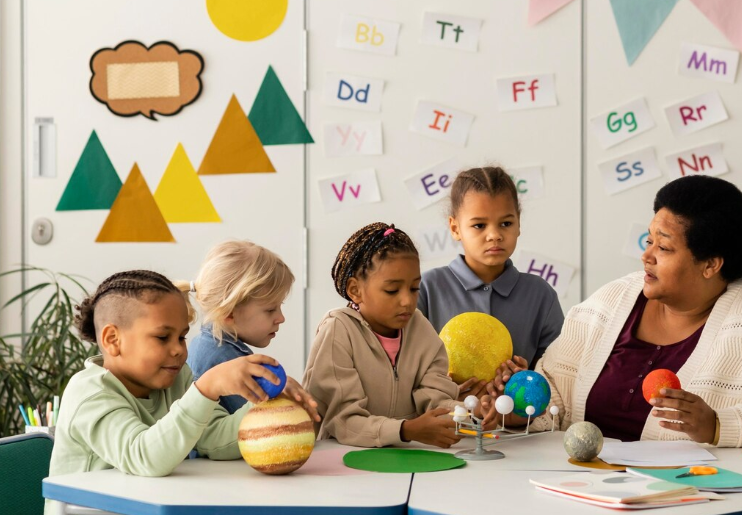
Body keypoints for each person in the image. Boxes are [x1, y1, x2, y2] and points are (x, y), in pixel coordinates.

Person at [528, 175, 742, 447]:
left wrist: (718, 425)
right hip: (580, 484)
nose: (646, 256)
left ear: (711, 264)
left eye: (664, 248)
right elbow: (553, 390)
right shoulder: (612, 300)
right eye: (648, 241)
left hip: (689, 491)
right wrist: (517, 406)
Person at [46, 270, 315, 513]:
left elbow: (214, 441)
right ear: (113, 340)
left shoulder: (177, 380)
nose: (178, 349)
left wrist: (263, 403)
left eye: (182, 337)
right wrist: (206, 388)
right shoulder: (90, 393)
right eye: (163, 337)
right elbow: (144, 457)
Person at [303, 222, 496, 448]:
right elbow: (344, 421)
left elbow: (435, 399)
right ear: (355, 290)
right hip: (343, 456)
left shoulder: (420, 328)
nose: (407, 301)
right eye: (392, 290)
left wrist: (470, 414)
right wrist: (405, 430)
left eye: (414, 288)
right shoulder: (338, 331)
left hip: (406, 456)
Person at [418, 166, 564, 395]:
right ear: (455, 228)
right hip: (443, 415)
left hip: (516, 418)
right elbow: (405, 370)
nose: (495, 235)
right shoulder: (427, 288)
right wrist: (443, 387)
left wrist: (527, 380)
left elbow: (557, 379)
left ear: (518, 223)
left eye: (506, 223)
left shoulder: (540, 294)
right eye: (479, 225)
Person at [183, 240, 308, 414]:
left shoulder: (213, 346)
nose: (281, 318)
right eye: (270, 310)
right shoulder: (222, 358)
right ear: (229, 313)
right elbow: (259, 420)